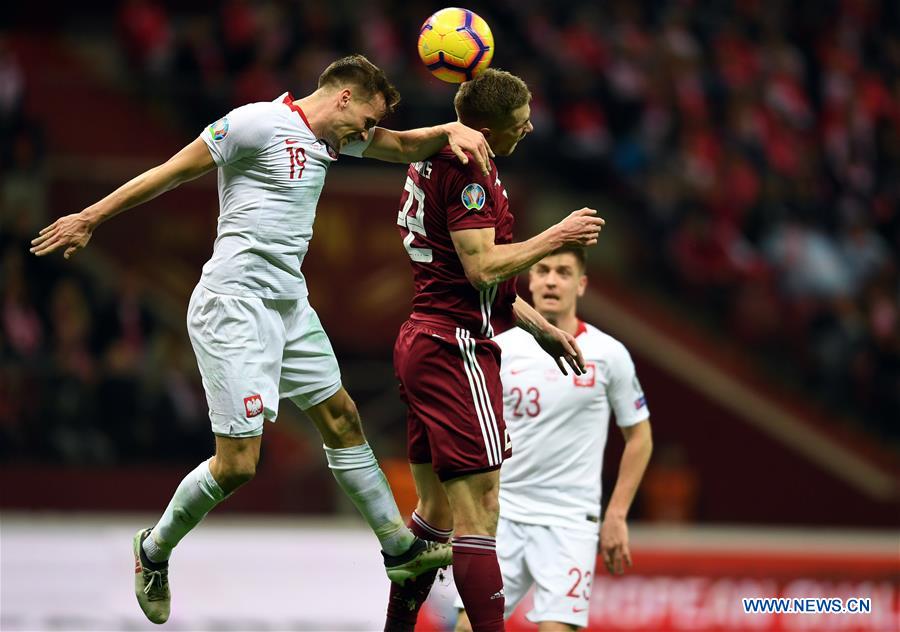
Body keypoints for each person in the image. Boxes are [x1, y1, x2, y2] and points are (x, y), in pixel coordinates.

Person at [30, 54, 495, 625]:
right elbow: (170, 171)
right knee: (239, 465)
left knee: (343, 417)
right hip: (233, 307)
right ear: (343, 97)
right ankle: (153, 550)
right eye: (365, 120)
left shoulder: (333, 141)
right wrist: (90, 218)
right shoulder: (254, 123)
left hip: (288, 306)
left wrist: (451, 130)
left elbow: (401, 148)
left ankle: (400, 550)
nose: (365, 134)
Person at [385, 69, 606, 632]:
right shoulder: (467, 171)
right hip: (456, 348)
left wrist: (537, 327)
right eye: (518, 121)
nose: (530, 126)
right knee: (481, 516)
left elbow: (477, 281)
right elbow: (481, 266)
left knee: (432, 517)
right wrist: (557, 236)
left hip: (424, 338)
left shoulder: (440, 154)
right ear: (484, 127)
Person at [455, 246, 653, 632]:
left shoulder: (609, 354)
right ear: (528, 281)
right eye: (542, 270)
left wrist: (616, 515)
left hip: (570, 522)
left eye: (563, 272)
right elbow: (470, 430)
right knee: (467, 629)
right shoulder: (499, 348)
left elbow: (639, 436)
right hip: (502, 514)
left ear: (581, 285)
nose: (550, 280)